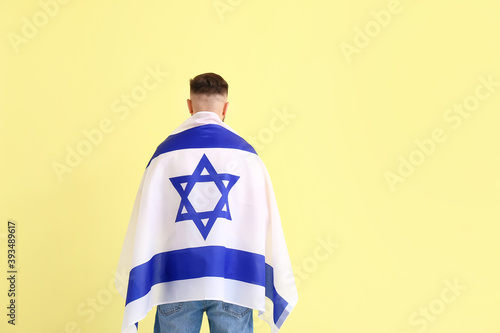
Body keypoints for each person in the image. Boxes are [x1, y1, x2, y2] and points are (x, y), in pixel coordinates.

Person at [116, 73, 298, 333]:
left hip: (176, 280)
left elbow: (148, 220)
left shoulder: (165, 156)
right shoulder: (247, 157)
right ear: (225, 108)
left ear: (190, 106)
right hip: (232, 279)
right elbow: (260, 223)